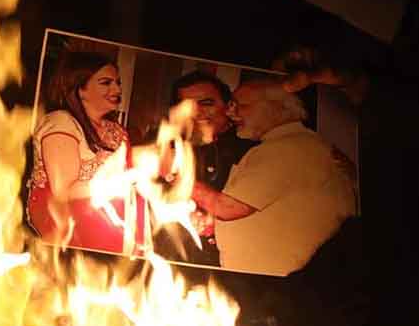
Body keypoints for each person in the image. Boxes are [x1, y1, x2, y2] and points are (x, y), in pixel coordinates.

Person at [191, 77, 357, 276]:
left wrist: (177, 177)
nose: (231, 112)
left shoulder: (288, 148)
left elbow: (228, 208)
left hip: (278, 287)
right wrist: (212, 222)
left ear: (275, 108)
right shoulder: (295, 143)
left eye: (241, 105)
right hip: (277, 283)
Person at [25, 51, 147, 255]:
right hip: (68, 232)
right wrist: (123, 181)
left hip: (111, 230)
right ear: (80, 89)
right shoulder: (61, 122)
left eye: (117, 82)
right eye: (106, 82)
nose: (117, 88)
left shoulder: (116, 131)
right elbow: (64, 191)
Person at [154, 71, 256, 266]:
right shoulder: (166, 146)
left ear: (229, 106)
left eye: (207, 103)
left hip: (233, 264)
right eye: (188, 105)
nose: (197, 112)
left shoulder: (254, 149)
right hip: (172, 262)